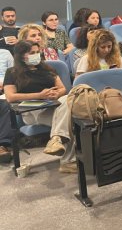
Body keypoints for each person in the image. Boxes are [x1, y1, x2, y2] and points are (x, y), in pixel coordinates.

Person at [3, 40, 75, 173]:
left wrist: (56, 94)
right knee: (71, 120)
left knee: (67, 99)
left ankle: (56, 139)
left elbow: (62, 89)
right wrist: (39, 95)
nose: (36, 55)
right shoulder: (12, 72)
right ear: (21, 55)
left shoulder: (47, 69)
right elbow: (10, 96)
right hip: (31, 112)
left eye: (37, 52)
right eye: (32, 53)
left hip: (53, 106)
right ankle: (67, 161)